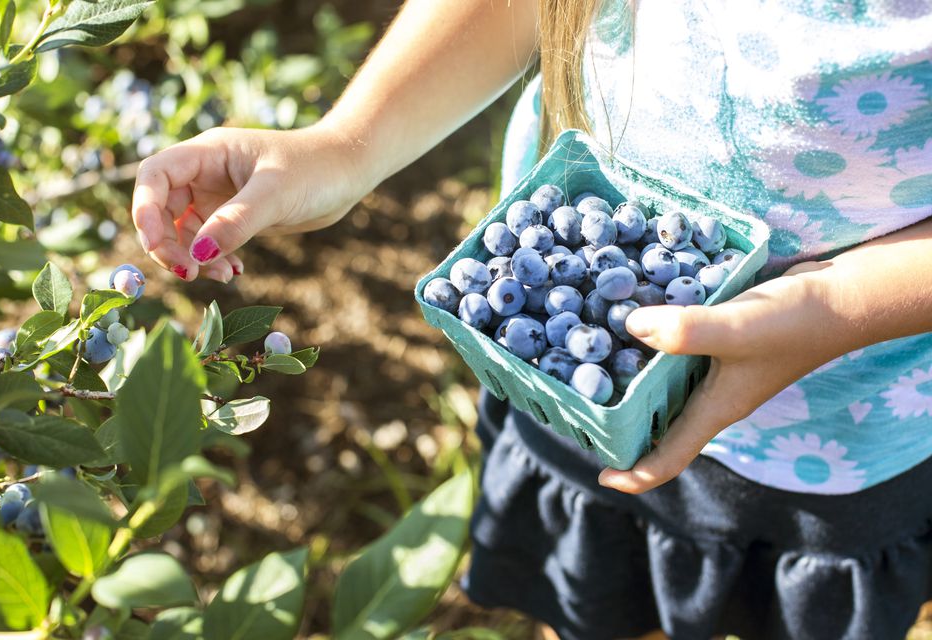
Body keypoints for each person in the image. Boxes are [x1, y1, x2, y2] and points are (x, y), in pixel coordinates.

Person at [130, 1, 932, 638]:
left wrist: (840, 308)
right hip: (572, 402)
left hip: (839, 428)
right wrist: (346, 145)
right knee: (595, 593)